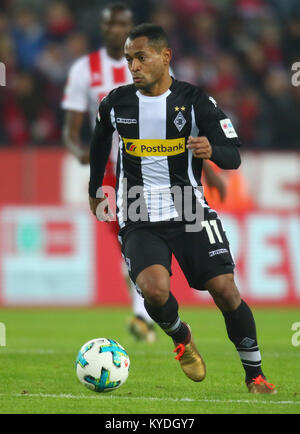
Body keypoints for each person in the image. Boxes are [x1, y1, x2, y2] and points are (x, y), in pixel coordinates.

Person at [89, 23, 277, 394]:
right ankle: (181, 337)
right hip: (139, 211)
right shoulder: (116, 102)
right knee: (154, 291)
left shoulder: (195, 101)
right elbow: (98, 142)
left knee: (225, 290)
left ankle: (254, 376)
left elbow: (233, 156)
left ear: (165, 56)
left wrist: (213, 152)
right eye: (129, 60)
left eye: (141, 57)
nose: (134, 66)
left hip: (189, 206)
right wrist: (97, 187)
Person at [61, 3, 156, 342]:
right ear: (102, 29)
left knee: (139, 239)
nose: (117, 29)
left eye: (123, 23)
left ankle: (142, 316)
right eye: (111, 24)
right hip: (108, 175)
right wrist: (81, 153)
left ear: (131, 27)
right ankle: (143, 315)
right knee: (130, 241)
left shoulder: (149, 65)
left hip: (148, 166)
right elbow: (71, 132)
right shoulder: (85, 71)